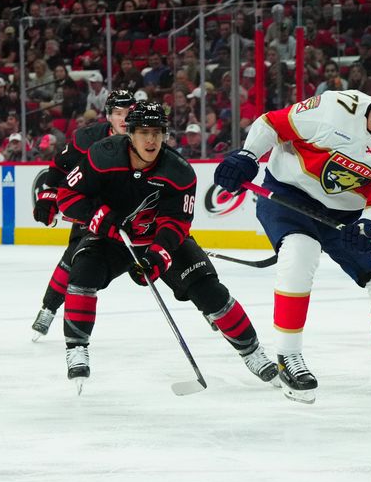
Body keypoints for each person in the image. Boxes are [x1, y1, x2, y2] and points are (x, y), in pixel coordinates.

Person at [213, 70, 371, 404]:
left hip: (347, 216)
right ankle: (288, 358)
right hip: (290, 195)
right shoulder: (335, 107)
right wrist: (248, 155)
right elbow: (273, 124)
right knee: (299, 252)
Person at [54, 101, 278, 391]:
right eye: (144, 132)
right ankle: (76, 348)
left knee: (209, 290)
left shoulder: (179, 172)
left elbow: (176, 224)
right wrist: (98, 218)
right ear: (130, 134)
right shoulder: (102, 156)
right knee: (82, 273)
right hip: (112, 238)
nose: (151, 140)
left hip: (159, 240)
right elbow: (68, 196)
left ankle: (252, 351)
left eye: (157, 132)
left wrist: (157, 257)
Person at [30, 90, 137, 341]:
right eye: (118, 114)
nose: (123, 119)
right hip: (92, 208)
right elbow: (59, 165)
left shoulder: (146, 136)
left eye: (128, 113)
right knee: (73, 260)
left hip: (133, 209)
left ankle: (209, 305)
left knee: (168, 254)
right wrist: (49, 193)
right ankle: (48, 308)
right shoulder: (87, 137)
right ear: (108, 116)